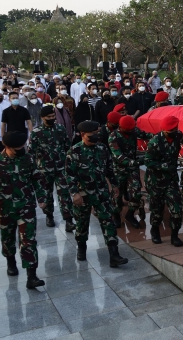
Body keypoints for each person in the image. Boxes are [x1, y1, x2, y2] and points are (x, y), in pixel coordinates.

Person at [0, 131, 47, 289]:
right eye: (17, 148)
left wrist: (42, 198)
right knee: (7, 237)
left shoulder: (28, 158)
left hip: (26, 206)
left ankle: (31, 276)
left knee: (29, 240)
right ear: (6, 147)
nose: (21, 150)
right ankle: (10, 262)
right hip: (4, 207)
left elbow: (36, 179)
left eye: (22, 146)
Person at [65, 120, 128, 268]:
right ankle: (81, 248)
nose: (95, 136)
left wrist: (114, 184)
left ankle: (114, 255)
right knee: (82, 223)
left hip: (101, 193)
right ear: (82, 135)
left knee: (108, 222)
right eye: (91, 134)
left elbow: (109, 169)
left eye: (96, 133)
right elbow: (69, 175)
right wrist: (75, 194)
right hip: (83, 194)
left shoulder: (102, 148)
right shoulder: (74, 151)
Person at [145, 116, 183, 245]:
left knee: (176, 208)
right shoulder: (155, 141)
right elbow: (148, 161)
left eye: (175, 129)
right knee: (157, 210)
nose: (173, 131)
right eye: (170, 130)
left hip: (171, 180)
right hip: (155, 181)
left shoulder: (177, 136)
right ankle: (155, 230)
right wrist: (165, 166)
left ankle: (175, 235)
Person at [28, 105, 74, 231]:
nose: (52, 118)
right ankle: (49, 216)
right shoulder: (36, 133)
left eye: (53, 116)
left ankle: (69, 220)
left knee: (64, 194)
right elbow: (31, 152)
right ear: (43, 118)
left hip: (61, 168)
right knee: (47, 194)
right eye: (49, 117)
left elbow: (67, 146)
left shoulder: (60, 128)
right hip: (44, 169)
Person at [109, 116, 152, 228]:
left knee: (136, 192)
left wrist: (159, 135)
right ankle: (116, 215)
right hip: (118, 170)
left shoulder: (134, 130)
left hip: (132, 170)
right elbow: (119, 157)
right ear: (121, 127)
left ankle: (130, 214)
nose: (130, 131)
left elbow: (145, 135)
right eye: (127, 130)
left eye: (131, 129)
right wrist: (137, 162)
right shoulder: (113, 137)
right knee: (117, 195)